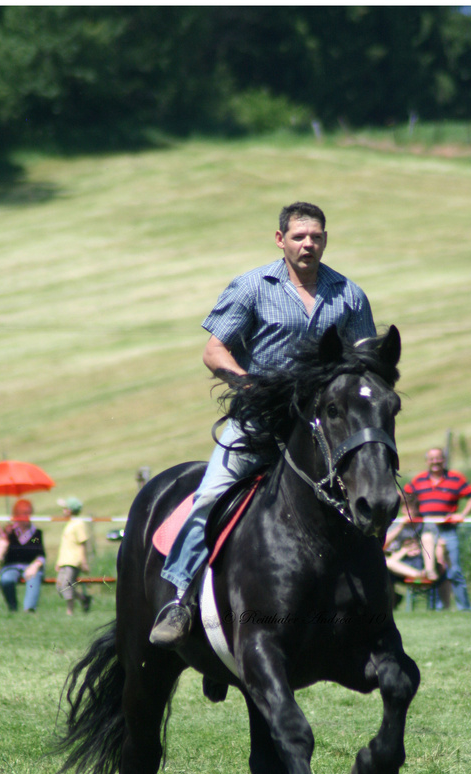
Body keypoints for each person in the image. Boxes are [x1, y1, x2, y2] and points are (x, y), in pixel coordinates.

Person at [151, 201, 376, 647]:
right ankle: (179, 599)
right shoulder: (253, 286)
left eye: (315, 236)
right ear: (281, 240)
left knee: (368, 493)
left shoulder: (349, 294)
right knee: (211, 496)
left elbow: (365, 357)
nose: (307, 243)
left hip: (321, 430)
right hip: (259, 422)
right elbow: (215, 352)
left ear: (326, 240)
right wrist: (249, 385)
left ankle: (370, 602)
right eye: (298, 236)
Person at [403, 447, 471, 611]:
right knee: (433, 569)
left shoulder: (456, 478)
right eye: (432, 459)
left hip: (448, 531)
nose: (435, 462)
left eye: (438, 458)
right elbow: (404, 497)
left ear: (444, 460)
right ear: (426, 461)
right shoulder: (418, 480)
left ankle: (465, 608)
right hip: (426, 531)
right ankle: (437, 608)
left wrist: (463, 514)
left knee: (454, 570)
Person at [0, 499, 46, 613]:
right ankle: (12, 608)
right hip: (11, 566)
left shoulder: (35, 534)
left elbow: (41, 554)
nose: (25, 517)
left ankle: (29, 609)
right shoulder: (10, 532)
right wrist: (5, 535)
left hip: (30, 566)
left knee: (33, 579)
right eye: (22, 513)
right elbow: (1, 551)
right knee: (6, 580)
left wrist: (35, 566)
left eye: (28, 513)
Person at [55, 497, 92, 615]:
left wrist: (83, 561)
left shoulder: (78, 524)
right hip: (64, 560)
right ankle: (83, 598)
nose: (63, 511)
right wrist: (59, 562)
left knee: (66, 585)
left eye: (65, 508)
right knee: (59, 586)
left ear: (70, 510)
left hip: (73, 560)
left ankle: (70, 611)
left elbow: (82, 543)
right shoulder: (69, 524)